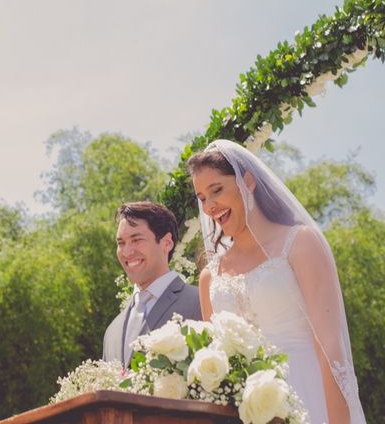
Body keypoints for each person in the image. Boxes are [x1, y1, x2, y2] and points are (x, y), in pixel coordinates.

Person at [188, 139, 365, 424]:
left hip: (308, 398)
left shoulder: (300, 243)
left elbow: (330, 348)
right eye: (202, 198)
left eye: (216, 190)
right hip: (244, 412)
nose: (209, 206)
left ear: (248, 182)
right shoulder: (210, 276)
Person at [103, 201, 201, 367]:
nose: (126, 252)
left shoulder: (199, 302)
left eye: (136, 240)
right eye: (121, 243)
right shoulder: (112, 331)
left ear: (167, 243)